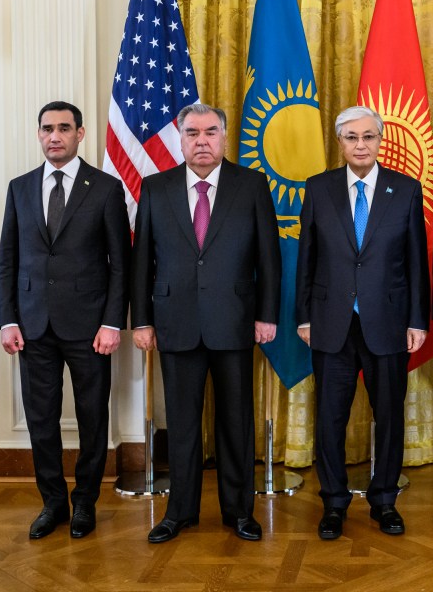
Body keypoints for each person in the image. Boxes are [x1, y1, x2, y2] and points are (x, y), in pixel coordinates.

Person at [131, 103, 281, 544]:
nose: (202, 141)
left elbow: (268, 259)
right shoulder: (156, 187)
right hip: (174, 322)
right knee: (180, 424)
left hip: (234, 322)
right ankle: (180, 512)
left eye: (210, 132)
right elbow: (143, 263)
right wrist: (141, 321)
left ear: (224, 136)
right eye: (192, 133)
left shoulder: (251, 185)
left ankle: (239, 512)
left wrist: (266, 315)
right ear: (180, 138)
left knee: (236, 422)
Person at [0, 101, 130, 540]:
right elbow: (8, 260)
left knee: (93, 419)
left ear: (80, 134)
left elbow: (119, 265)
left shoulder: (107, 189)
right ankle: (52, 502)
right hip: (32, 328)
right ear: (39, 134)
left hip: (91, 329)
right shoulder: (19, 188)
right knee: (41, 419)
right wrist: (7, 320)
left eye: (63, 128)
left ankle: (84, 503)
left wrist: (113, 322)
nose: (55, 136)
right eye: (47, 129)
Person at [296, 105, 429, 540]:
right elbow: (307, 259)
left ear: (380, 140)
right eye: (352, 137)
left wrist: (417, 319)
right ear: (340, 142)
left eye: (368, 137)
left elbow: (415, 262)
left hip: (388, 323)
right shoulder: (318, 189)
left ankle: (384, 501)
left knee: (389, 416)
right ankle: (333, 503)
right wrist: (303, 317)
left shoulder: (405, 190)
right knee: (330, 417)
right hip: (331, 322)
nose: (360, 145)